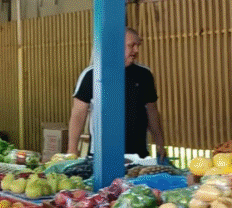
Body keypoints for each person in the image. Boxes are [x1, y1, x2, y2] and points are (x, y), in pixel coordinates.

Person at [67, 27, 166, 160]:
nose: (136, 50)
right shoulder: (92, 75)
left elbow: (152, 111)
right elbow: (78, 114)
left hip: (138, 153)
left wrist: (160, 143)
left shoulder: (144, 74)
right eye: (132, 46)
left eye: (138, 45)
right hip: (101, 155)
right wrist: (72, 149)